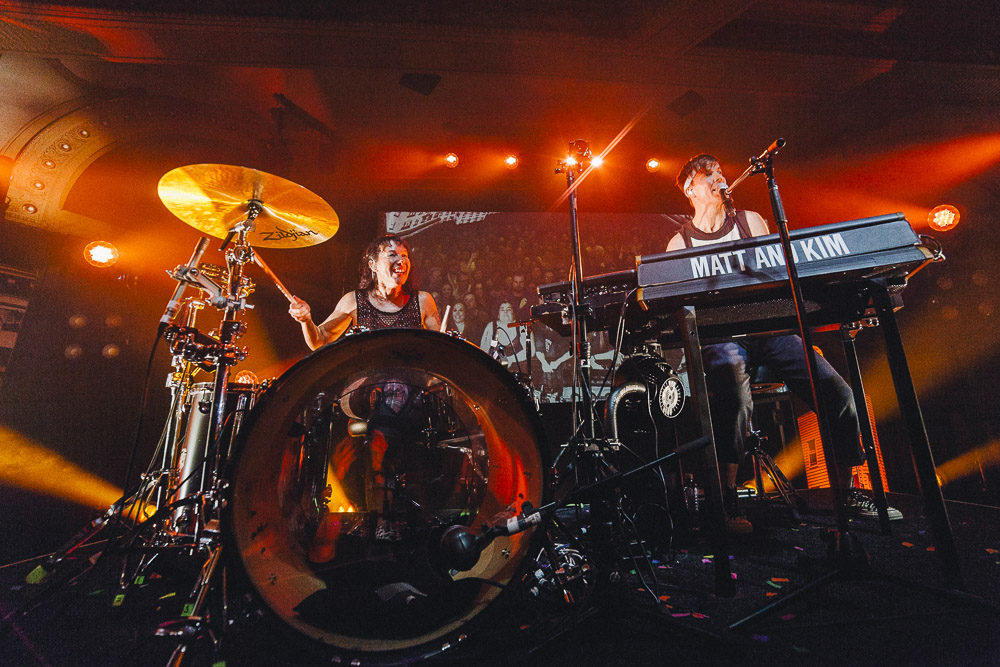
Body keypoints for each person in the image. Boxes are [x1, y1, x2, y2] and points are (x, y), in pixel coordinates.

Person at [670, 154, 901, 531]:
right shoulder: (679, 242)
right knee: (733, 393)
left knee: (839, 394)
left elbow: (776, 275)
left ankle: (847, 493)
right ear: (690, 188)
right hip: (723, 338)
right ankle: (726, 505)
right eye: (708, 174)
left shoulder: (750, 221)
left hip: (771, 331)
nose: (718, 178)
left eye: (720, 172)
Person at [288, 234, 441, 349]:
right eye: (392, 255)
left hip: (411, 385)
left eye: (404, 256)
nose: (401, 261)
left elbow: (439, 349)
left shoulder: (422, 301)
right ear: (373, 265)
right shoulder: (354, 301)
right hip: (369, 385)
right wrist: (306, 321)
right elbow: (320, 341)